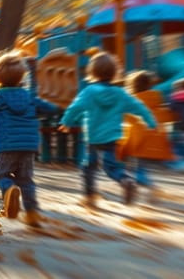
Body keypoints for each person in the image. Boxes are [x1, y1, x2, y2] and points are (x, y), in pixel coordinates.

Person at [0, 51, 59, 227]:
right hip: (29, 145)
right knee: (26, 179)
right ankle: (32, 213)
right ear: (21, 76)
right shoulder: (29, 97)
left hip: (7, 144)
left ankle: (9, 190)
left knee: (2, 175)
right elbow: (50, 108)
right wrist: (40, 111)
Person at [58, 52, 155, 209]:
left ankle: (89, 198)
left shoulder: (89, 92)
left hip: (93, 138)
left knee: (88, 168)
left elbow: (75, 107)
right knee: (111, 167)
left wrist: (66, 121)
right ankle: (125, 180)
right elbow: (138, 107)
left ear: (92, 72)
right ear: (115, 72)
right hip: (112, 137)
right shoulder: (120, 93)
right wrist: (150, 121)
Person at [118, 70, 176, 202]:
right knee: (138, 167)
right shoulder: (156, 100)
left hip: (136, 141)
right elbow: (166, 116)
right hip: (152, 142)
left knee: (132, 169)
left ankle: (148, 187)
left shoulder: (132, 102)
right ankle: (138, 190)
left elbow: (125, 119)